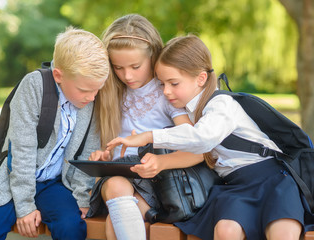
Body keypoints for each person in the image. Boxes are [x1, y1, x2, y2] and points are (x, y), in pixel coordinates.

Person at [107, 34, 314, 240]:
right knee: (226, 231)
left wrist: (148, 136)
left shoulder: (221, 105)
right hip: (234, 186)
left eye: (173, 83)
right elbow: (196, 149)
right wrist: (160, 160)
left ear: (201, 78)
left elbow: (202, 139)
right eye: (162, 84)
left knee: (282, 232)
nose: (166, 91)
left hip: (272, 179)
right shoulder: (186, 112)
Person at [0, 27, 109, 240]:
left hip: (53, 183)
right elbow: (22, 150)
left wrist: (81, 197)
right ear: (58, 75)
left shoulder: (89, 97)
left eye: (97, 90)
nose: (91, 97)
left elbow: (87, 152)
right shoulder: (34, 86)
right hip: (13, 177)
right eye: (84, 90)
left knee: (71, 227)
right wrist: (25, 206)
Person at [86, 14, 202, 240]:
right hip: (117, 175)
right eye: (118, 67)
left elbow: (194, 141)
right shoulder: (112, 92)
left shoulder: (166, 92)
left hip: (156, 177)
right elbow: (110, 144)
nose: (127, 75)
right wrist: (104, 154)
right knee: (117, 187)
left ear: (154, 56)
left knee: (115, 221)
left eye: (135, 66)